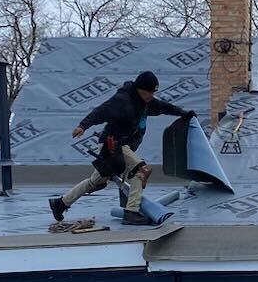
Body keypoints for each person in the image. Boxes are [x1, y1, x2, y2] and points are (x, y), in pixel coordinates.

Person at [49, 71, 193, 222]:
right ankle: (131, 211)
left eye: (153, 93)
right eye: (149, 92)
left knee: (96, 182)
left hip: (122, 146)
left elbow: (164, 107)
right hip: (113, 145)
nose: (151, 96)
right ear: (140, 89)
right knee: (140, 171)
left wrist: (183, 113)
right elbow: (100, 111)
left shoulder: (146, 102)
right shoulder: (123, 100)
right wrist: (83, 126)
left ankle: (60, 203)